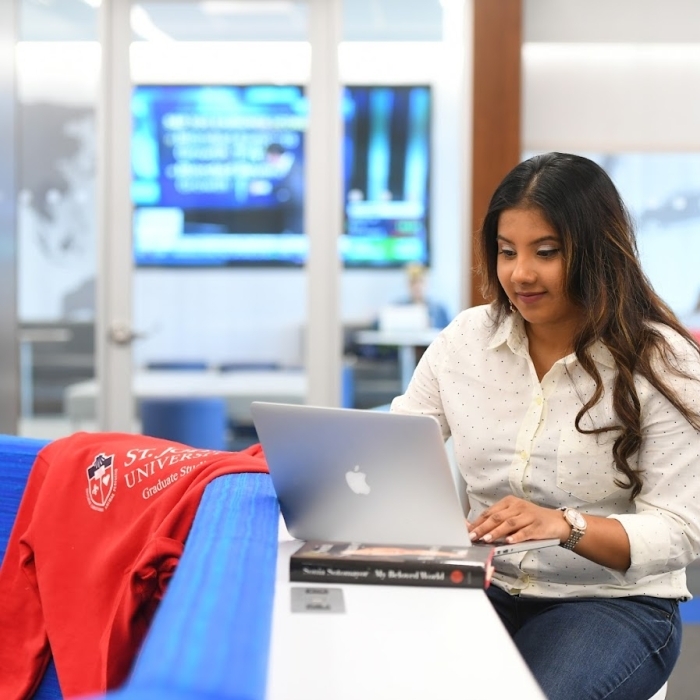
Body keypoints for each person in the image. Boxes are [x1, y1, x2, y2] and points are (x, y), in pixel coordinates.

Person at [391, 152, 700, 700]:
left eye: (547, 252)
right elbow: (394, 448)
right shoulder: (465, 341)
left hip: (613, 605)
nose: (519, 273)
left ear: (597, 253)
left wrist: (565, 524)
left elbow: (681, 531)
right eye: (507, 252)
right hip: (483, 583)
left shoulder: (664, 362)